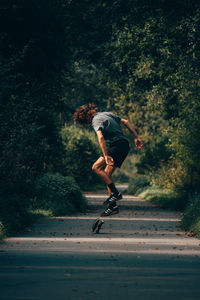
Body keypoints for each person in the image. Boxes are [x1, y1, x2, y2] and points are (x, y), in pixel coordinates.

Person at [74, 103, 143, 216]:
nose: (87, 123)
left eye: (84, 121)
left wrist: (106, 155)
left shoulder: (95, 120)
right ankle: (113, 207)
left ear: (86, 116)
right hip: (124, 144)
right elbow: (125, 121)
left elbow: (100, 137)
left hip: (117, 145)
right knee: (106, 174)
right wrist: (136, 137)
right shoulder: (106, 114)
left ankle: (115, 193)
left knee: (96, 167)